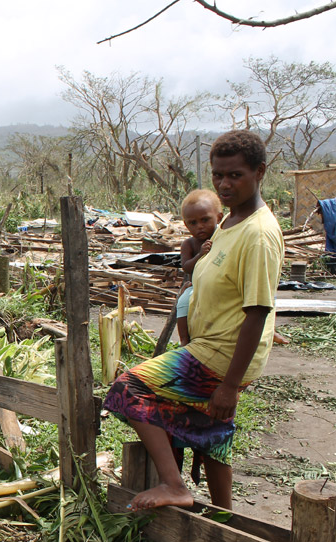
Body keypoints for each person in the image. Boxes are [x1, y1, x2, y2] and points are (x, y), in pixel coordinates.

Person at [103, 129, 284, 511]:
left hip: (223, 353)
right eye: (218, 175)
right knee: (211, 431)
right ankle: (224, 524)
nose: (224, 183)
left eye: (235, 175)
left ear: (260, 172)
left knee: (127, 388)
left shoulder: (259, 234)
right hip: (210, 346)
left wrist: (230, 386)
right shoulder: (227, 226)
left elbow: (257, 312)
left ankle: (174, 485)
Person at [176, 189, 221, 345]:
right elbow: (187, 267)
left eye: (205, 220)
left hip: (219, 286)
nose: (199, 226)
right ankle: (183, 340)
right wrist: (200, 255)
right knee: (182, 302)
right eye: (193, 223)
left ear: (218, 218)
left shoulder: (222, 238)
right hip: (195, 287)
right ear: (185, 224)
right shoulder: (189, 244)